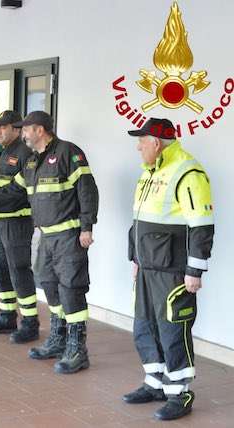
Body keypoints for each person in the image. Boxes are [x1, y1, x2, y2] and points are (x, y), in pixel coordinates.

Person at [0, 111, 98, 374]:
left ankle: (78, 350)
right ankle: (58, 340)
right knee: (51, 286)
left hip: (68, 235)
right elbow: (10, 192)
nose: (24, 134)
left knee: (71, 289)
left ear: (40, 130)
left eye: (26, 129)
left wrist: (87, 227)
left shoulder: (68, 152)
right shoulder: (32, 162)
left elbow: (87, 190)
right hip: (47, 237)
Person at [123, 118, 214, 420]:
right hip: (148, 268)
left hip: (173, 270)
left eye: (141, 141)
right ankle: (154, 383)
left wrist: (195, 270)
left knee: (173, 331)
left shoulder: (188, 171)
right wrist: (136, 259)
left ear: (156, 143)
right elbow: (139, 222)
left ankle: (180, 392)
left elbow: (201, 225)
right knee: (144, 327)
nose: (138, 146)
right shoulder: (149, 172)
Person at [0, 110, 39, 344]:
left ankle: (30, 323)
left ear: (16, 128)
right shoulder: (3, 153)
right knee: (1, 269)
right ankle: (6, 316)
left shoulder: (25, 154)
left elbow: (17, 191)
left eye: (3, 127)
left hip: (17, 222)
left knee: (19, 270)